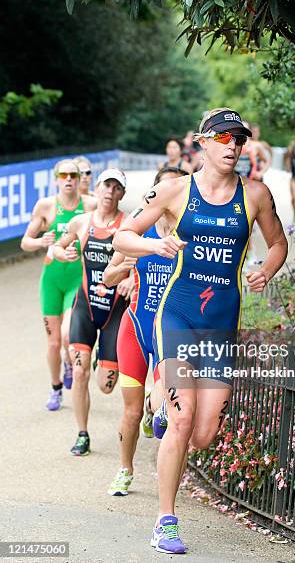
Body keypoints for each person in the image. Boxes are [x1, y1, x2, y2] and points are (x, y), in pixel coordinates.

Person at [113, 107, 288, 554]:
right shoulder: (174, 190)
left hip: (220, 326)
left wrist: (266, 268)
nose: (234, 146)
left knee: (204, 433)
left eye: (240, 140)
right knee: (183, 418)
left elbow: (278, 243)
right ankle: (165, 521)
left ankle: (167, 418)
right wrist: (156, 243)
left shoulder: (255, 195)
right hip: (178, 317)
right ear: (203, 142)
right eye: (225, 138)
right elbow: (122, 237)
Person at [104, 167, 189, 497]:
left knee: (165, 406)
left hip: (170, 331)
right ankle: (125, 470)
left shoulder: (190, 234)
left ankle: (159, 411)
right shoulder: (138, 233)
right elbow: (108, 278)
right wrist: (127, 266)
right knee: (132, 409)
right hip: (135, 328)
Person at [54, 169, 132, 456]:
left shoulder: (129, 225)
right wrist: (64, 253)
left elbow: (141, 260)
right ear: (96, 189)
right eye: (106, 186)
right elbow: (57, 248)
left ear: (122, 193)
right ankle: (82, 433)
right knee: (79, 370)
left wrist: (129, 278)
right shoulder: (81, 222)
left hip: (114, 313)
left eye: (116, 188)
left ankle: (105, 358)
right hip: (86, 307)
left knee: (107, 386)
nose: (110, 192)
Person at [20, 159, 96, 411]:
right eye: (63, 175)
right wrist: (41, 241)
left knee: (66, 335)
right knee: (53, 342)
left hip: (77, 279)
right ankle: (55, 387)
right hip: (51, 280)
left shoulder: (89, 205)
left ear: (78, 179)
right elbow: (25, 242)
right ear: (56, 179)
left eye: (73, 175)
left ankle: (70, 359)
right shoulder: (46, 206)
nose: (69, 179)